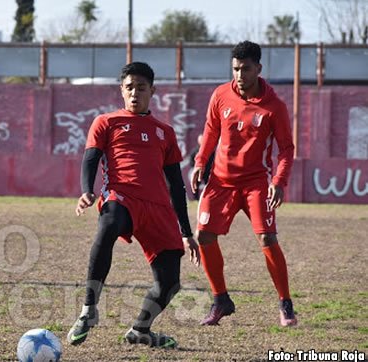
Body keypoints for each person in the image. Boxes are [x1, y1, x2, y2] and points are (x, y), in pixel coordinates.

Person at [67, 62, 200, 349]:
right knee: (108, 225)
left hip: (159, 209)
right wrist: (87, 191)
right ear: (121, 91)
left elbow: (176, 186)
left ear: (152, 90)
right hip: (122, 196)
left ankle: (140, 329)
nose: (134, 93)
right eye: (129, 87)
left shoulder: (165, 132)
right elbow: (90, 158)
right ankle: (89, 310)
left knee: (170, 282)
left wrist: (187, 233)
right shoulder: (107, 122)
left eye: (141, 88)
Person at [190, 40, 297, 327]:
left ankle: (285, 303)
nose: (239, 75)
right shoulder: (221, 95)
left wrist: (279, 181)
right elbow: (211, 130)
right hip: (220, 181)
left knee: (267, 238)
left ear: (258, 69)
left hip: (256, 183)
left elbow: (287, 149)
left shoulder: (275, 106)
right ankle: (220, 300)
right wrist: (200, 162)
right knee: (204, 236)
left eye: (245, 69)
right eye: (235, 69)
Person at [188, 134, 214, 199]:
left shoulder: (210, 151)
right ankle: (195, 198)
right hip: (198, 171)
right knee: (195, 185)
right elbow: (191, 160)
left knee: (208, 185)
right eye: (200, 140)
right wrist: (195, 167)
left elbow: (213, 160)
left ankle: (208, 198)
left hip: (207, 171)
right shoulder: (195, 151)